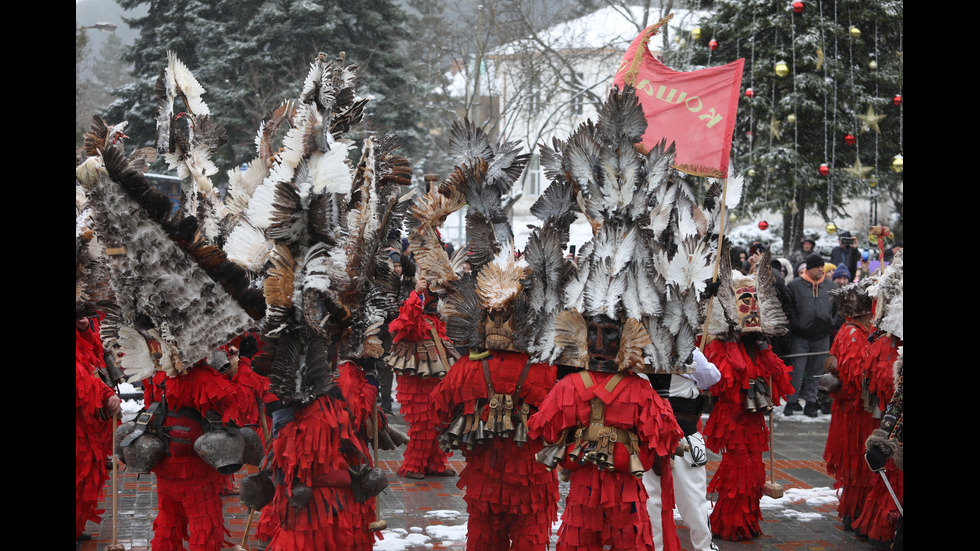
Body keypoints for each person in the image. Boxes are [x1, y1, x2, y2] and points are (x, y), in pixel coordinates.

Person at [702, 261, 795, 541]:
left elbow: (781, 380)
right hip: (734, 420)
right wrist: (732, 342)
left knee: (755, 474)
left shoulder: (758, 347)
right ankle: (728, 525)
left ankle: (749, 521)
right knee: (738, 472)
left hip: (755, 422)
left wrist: (764, 347)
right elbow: (729, 381)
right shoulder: (718, 346)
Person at [643, 348, 721, 551]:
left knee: (654, 502)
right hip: (678, 435)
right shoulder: (687, 349)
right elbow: (712, 376)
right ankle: (703, 548)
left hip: (652, 438)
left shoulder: (634, 347)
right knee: (692, 501)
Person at [386, 275, 458, 479]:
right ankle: (413, 466)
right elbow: (405, 322)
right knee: (423, 424)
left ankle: (437, 464)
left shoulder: (438, 321)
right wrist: (417, 293)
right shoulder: (414, 315)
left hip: (439, 379)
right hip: (417, 382)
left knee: (441, 421)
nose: (435, 301)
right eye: (431, 295)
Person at [822, 280, 876, 533]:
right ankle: (855, 514)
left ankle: (858, 513)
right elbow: (856, 378)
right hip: (856, 413)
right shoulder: (852, 333)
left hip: (860, 412)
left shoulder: (858, 331)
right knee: (857, 464)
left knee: (862, 465)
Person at [76, 314, 121, 546]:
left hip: (87, 424)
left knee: (87, 476)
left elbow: (93, 361)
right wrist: (105, 394)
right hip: (79, 424)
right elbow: (82, 381)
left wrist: (83, 329)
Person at [782, 253, 837, 417]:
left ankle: (811, 402)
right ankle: (792, 401)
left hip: (822, 336)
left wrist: (831, 325)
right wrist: (796, 327)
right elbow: (788, 310)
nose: (822, 269)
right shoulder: (794, 286)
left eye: (822, 267)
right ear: (809, 268)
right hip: (800, 335)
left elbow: (838, 311)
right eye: (818, 267)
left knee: (817, 371)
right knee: (797, 370)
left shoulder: (830, 286)